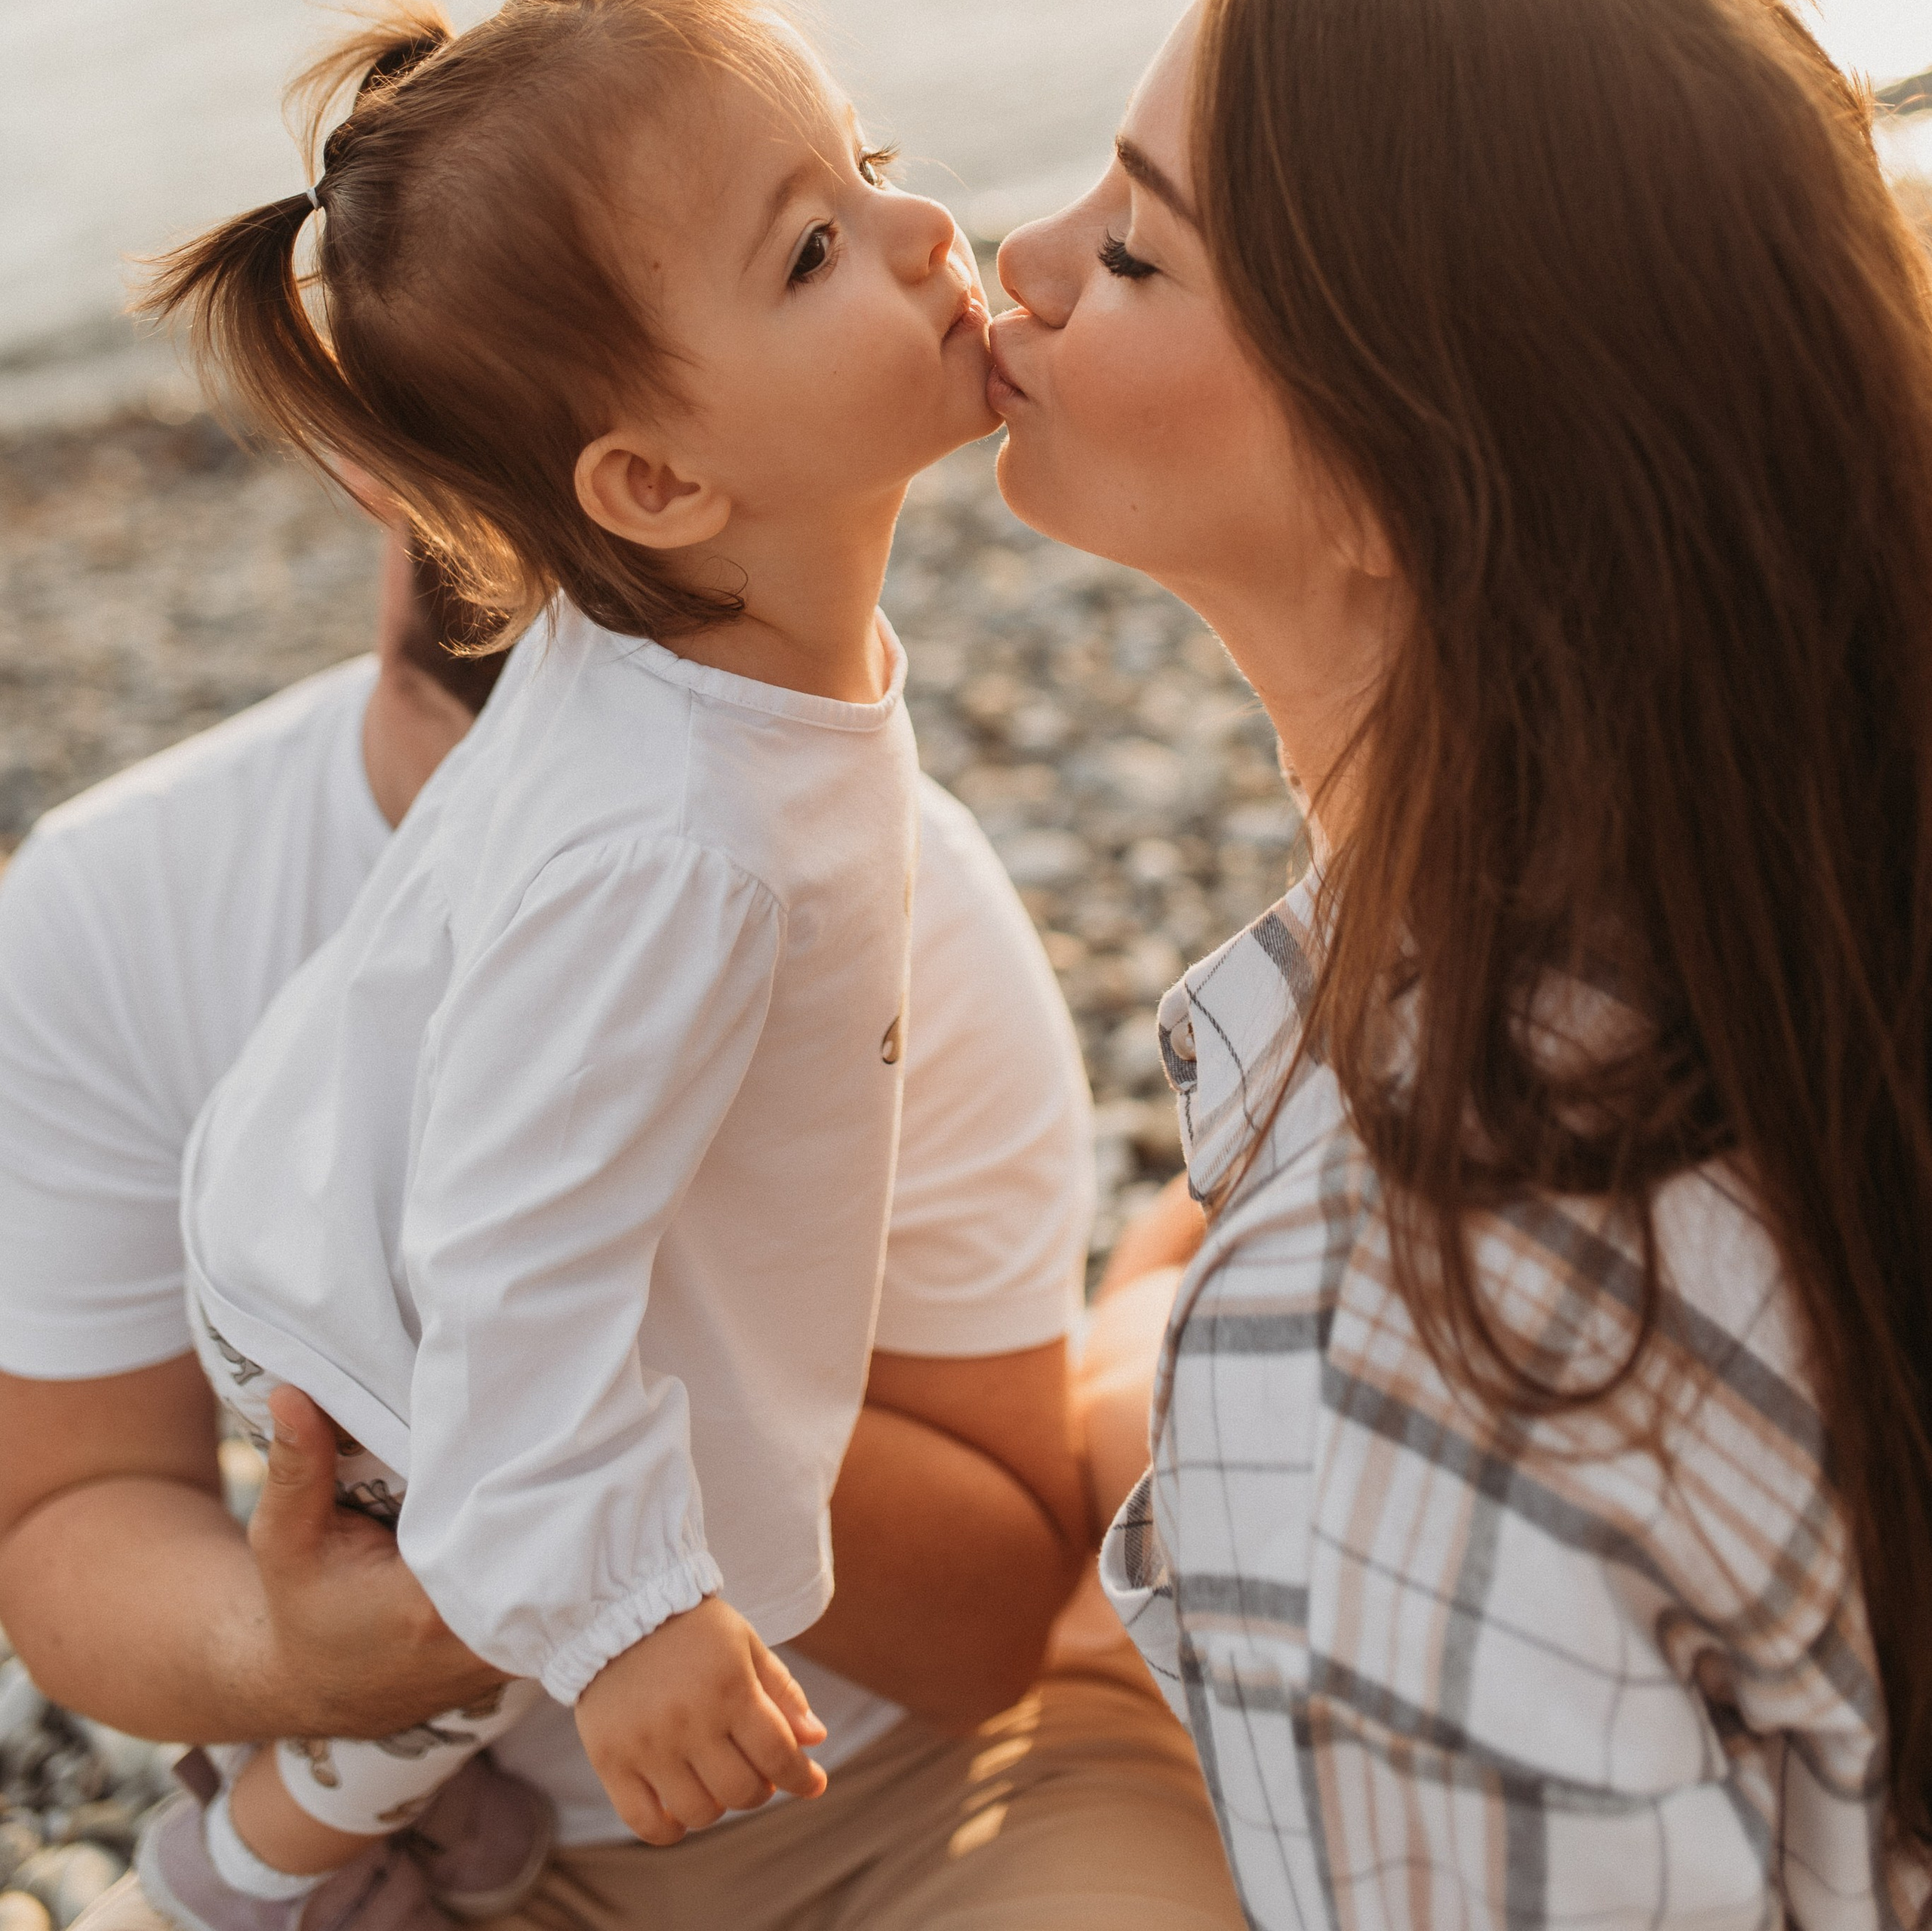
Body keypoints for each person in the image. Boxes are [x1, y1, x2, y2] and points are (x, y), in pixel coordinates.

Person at [988, 0, 1932, 1930]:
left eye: (1136, 252)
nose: (1019, 265)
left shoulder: (1409, 1343)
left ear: (1395, 473)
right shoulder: (1797, 909)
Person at [106, 0, 1031, 1931]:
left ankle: (300, 1855)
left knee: (437, 1679)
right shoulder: (678, 841)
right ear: (655, 480)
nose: (926, 223)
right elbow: (512, 1254)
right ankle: (213, 1893)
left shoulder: (692, 658)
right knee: (437, 1668)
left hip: (373, 1267)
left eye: (870, 159)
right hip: (393, 1344)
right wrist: (628, 1616)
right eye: (812, 248)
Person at [0, 541, 1242, 1931]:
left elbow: (993, 1622)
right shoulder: (112, 905)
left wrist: (561, 1370)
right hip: (423, 1851)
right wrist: (301, 1658)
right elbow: (67, 1514)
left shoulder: (888, 897)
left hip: (907, 1803)